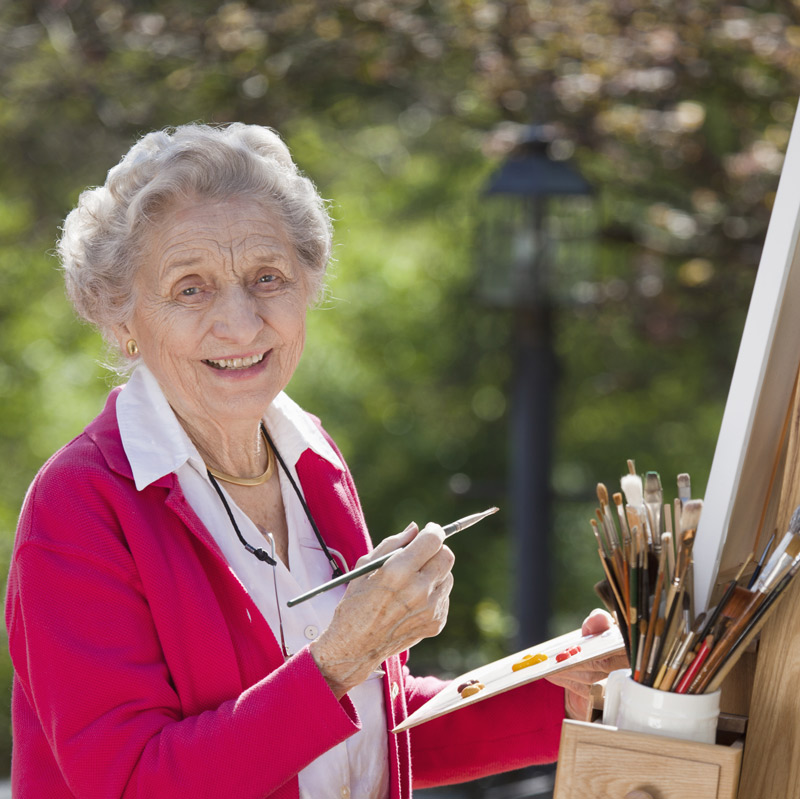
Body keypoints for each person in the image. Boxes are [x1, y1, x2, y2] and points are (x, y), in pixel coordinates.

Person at [5, 123, 625, 798]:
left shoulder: (311, 458)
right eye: (191, 288)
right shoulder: (80, 504)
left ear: (307, 286)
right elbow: (135, 782)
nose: (241, 324)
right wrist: (342, 656)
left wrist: (566, 686)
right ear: (121, 316)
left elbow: (352, 732)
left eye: (268, 277)